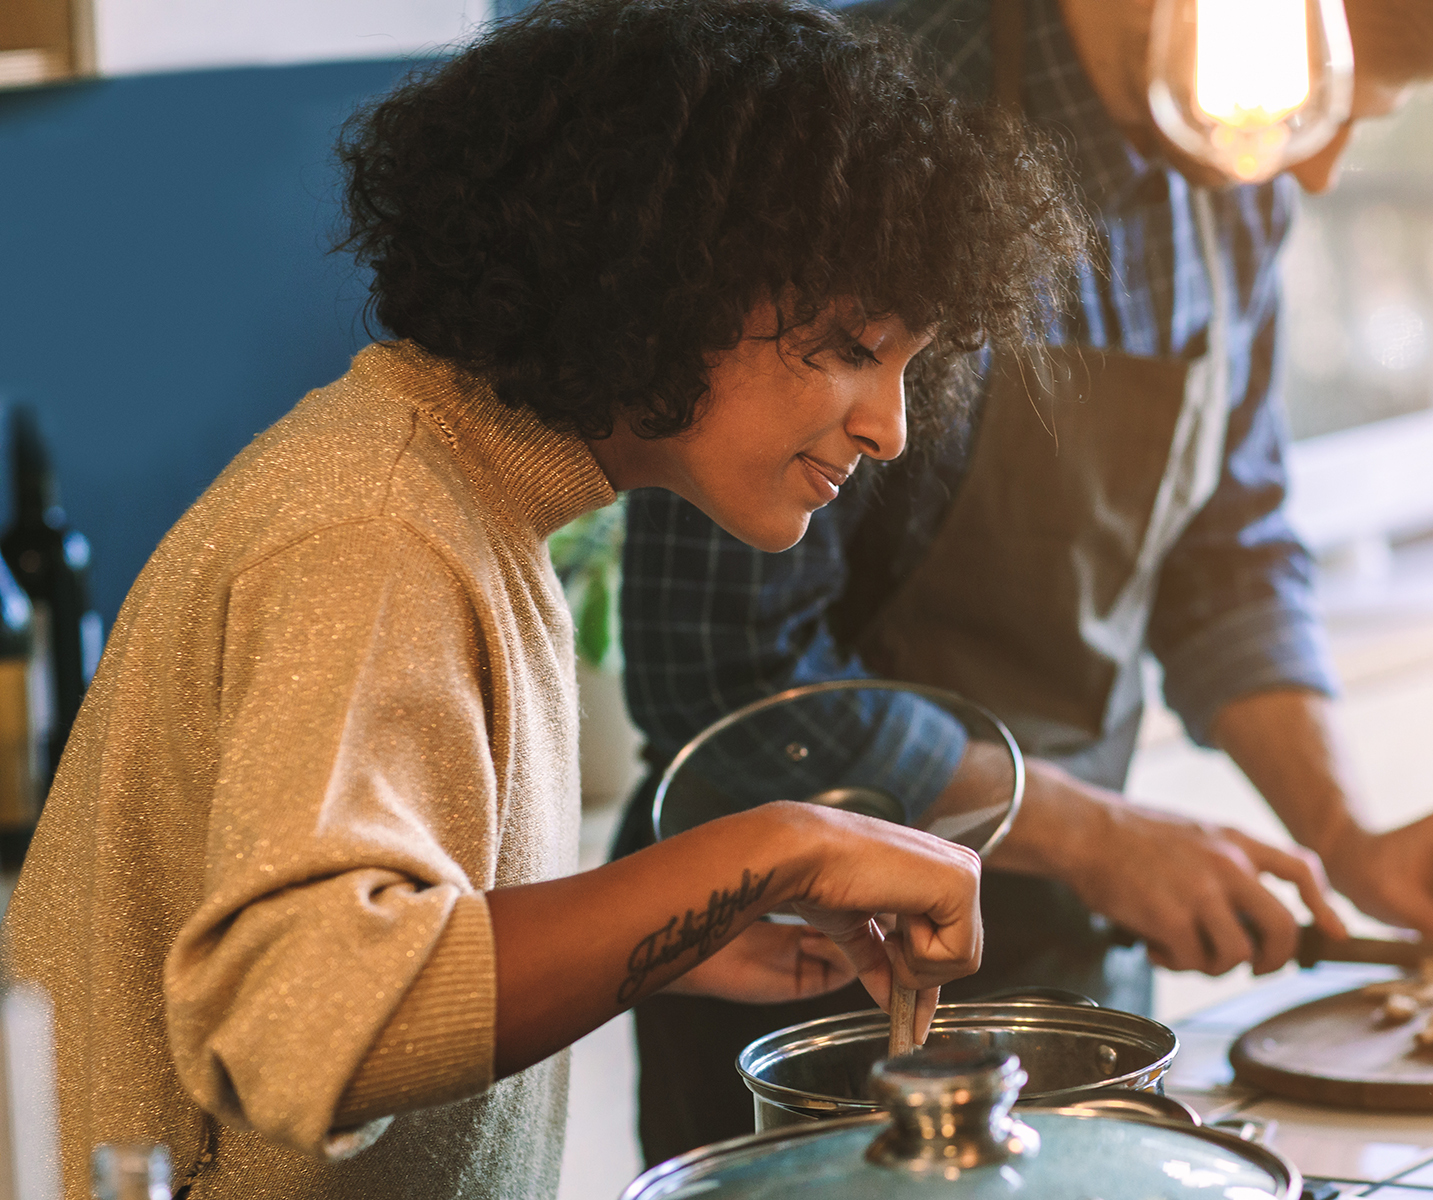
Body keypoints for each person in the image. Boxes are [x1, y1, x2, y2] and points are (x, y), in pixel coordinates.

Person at [0, 2, 1088, 1196]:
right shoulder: (374, 529)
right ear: (665, 272)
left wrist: (660, 944)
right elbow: (301, 1018)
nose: (888, 426)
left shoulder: (464, 506)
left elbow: (402, 920)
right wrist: (783, 845)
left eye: (908, 365)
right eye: (843, 344)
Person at [614, 0, 1433, 1160]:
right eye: (1325, 101)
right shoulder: (857, 120)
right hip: (805, 993)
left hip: (1069, 968)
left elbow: (1227, 552)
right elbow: (731, 681)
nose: (1322, 166)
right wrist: (1096, 837)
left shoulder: (1237, 174)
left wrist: (1347, 834)